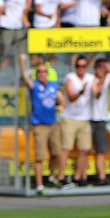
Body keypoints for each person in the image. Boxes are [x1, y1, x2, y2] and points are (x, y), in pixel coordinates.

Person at [19, 54, 64, 194]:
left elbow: (62, 100)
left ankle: (51, 177)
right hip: (40, 125)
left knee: (56, 152)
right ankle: (39, 185)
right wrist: (22, 62)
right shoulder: (35, 86)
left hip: (53, 124)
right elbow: (26, 78)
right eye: (39, 72)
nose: (42, 74)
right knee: (40, 157)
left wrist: (61, 106)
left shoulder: (53, 85)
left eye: (44, 71)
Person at [58, 55, 94, 188]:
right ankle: (61, 177)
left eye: (83, 66)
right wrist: (82, 90)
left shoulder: (90, 78)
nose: (81, 68)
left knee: (84, 150)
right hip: (70, 118)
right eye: (78, 66)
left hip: (84, 118)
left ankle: (79, 177)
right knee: (66, 148)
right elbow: (72, 96)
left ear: (87, 67)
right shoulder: (70, 78)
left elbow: (97, 92)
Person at [84, 58, 110, 186]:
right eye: (99, 66)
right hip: (88, 118)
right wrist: (103, 78)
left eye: (103, 66)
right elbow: (97, 94)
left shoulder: (109, 78)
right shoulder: (90, 79)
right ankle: (83, 178)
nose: (101, 68)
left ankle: (102, 177)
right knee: (85, 150)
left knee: (101, 151)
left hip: (100, 119)